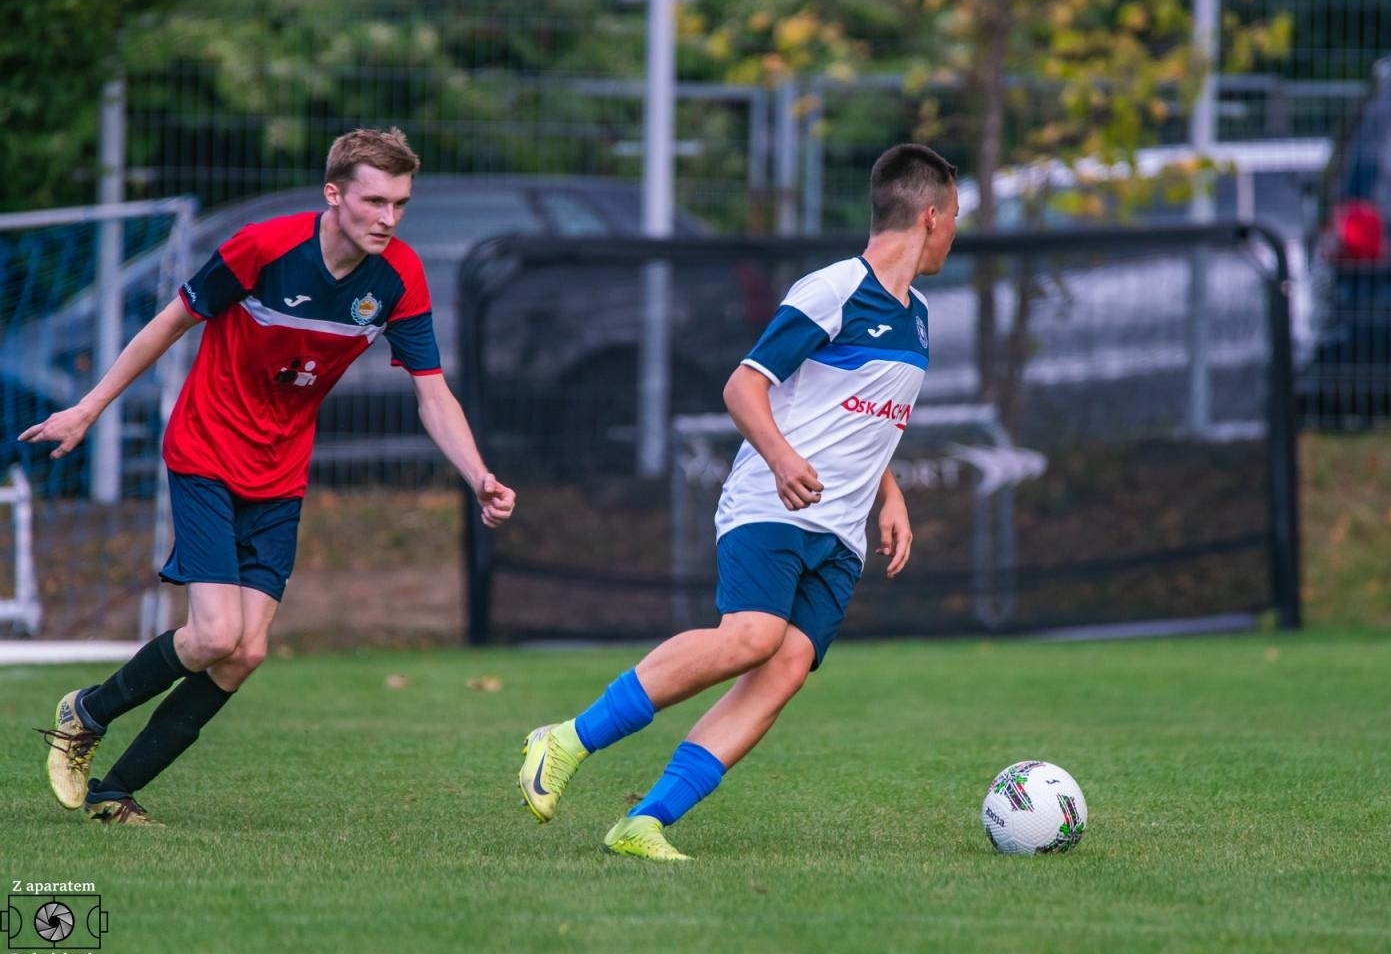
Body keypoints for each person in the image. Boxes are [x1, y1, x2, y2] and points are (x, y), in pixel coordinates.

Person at [22, 127, 516, 825]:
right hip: (205, 453)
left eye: (401, 203)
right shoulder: (263, 247)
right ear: (334, 193)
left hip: (280, 474)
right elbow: (169, 324)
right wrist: (89, 407)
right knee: (214, 635)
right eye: (375, 201)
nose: (389, 218)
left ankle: (112, 793)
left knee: (245, 652)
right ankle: (86, 711)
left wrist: (478, 475)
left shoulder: (399, 277)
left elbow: (432, 391)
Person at [516, 142, 958, 860]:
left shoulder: (920, 315)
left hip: (840, 531)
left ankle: (644, 821)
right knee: (750, 635)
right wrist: (783, 460)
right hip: (772, 501)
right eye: (957, 217)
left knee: (781, 670)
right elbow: (742, 385)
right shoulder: (834, 288)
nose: (956, 231)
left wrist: (891, 493)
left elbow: (855, 410)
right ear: (932, 217)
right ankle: (564, 739)